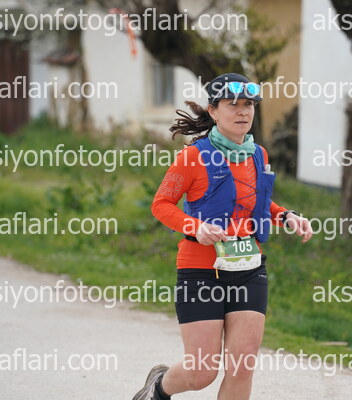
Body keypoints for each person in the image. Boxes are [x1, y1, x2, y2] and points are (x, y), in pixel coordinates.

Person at [133, 73, 313, 400]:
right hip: (201, 271)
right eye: (233, 104)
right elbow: (161, 205)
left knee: (242, 367)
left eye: (249, 105)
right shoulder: (193, 156)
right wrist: (195, 227)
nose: (243, 111)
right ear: (213, 111)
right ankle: (157, 388)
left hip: (249, 270)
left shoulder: (258, 154)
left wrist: (286, 216)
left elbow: (258, 203)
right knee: (201, 372)